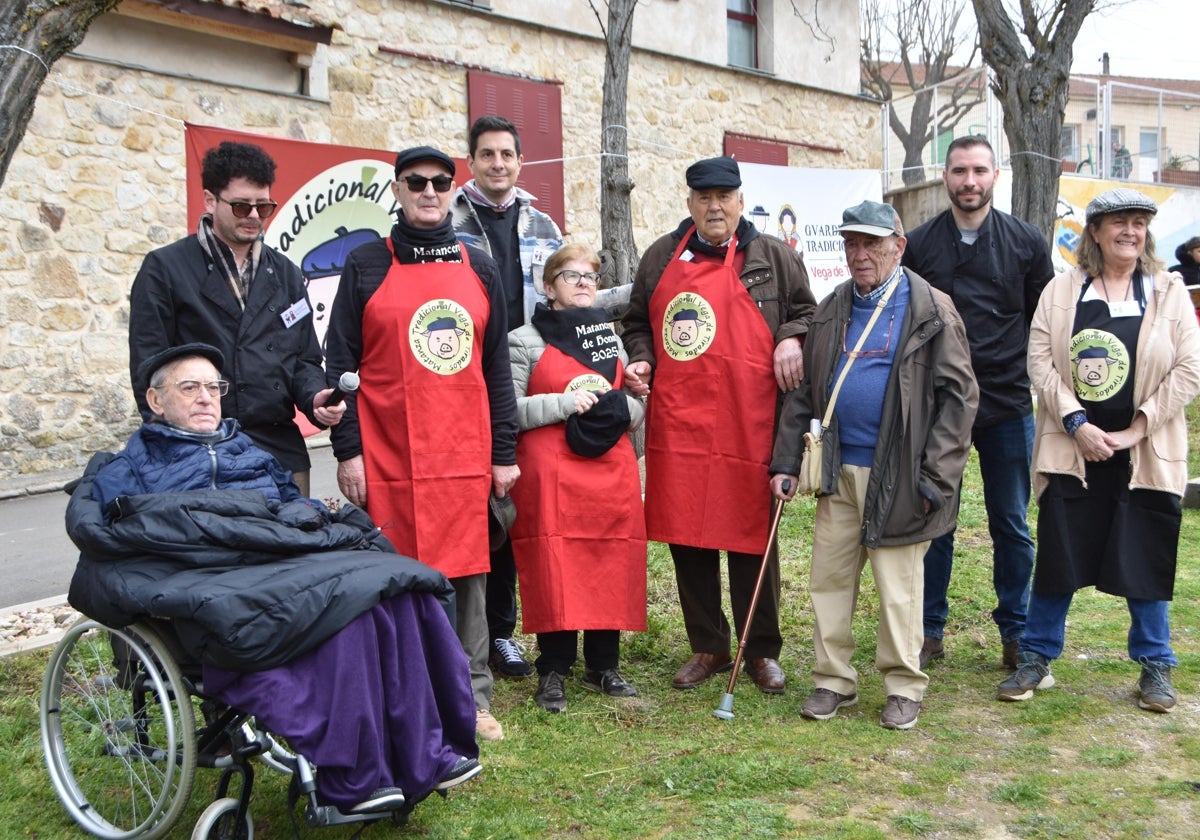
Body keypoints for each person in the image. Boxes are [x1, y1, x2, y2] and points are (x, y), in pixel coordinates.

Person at [78, 343, 481, 815]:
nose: (206, 398)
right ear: (155, 400)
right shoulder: (126, 468)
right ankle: (354, 778)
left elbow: (291, 510)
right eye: (190, 388)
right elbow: (110, 540)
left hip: (279, 564)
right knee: (345, 608)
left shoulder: (248, 451)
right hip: (214, 580)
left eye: (214, 387)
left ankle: (426, 755)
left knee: (404, 590)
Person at [324, 145, 519, 743]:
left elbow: (496, 369)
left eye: (440, 182)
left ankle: (472, 696)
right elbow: (340, 365)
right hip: (390, 454)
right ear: (399, 190)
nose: (429, 192)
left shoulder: (480, 265)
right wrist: (348, 450)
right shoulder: (363, 264)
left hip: (463, 452)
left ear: (451, 189)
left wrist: (504, 453)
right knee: (392, 575)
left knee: (468, 578)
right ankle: (399, 695)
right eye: (417, 183)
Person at [770, 200, 978, 730]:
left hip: (902, 473)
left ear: (898, 246)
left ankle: (904, 686)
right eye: (852, 244)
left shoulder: (931, 308)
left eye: (872, 244)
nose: (860, 255)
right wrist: (786, 460)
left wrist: (937, 476)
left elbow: (959, 400)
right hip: (837, 469)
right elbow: (806, 393)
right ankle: (832, 680)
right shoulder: (833, 306)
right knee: (829, 580)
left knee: (898, 588)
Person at [997, 188, 1200, 712]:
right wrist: (1076, 422)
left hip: (1143, 449)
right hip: (1074, 446)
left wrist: (1137, 429)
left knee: (1146, 549)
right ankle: (1037, 656)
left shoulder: (1168, 290)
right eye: (1118, 223)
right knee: (1060, 550)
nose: (1129, 231)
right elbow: (1039, 361)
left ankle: (1156, 663)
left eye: (1138, 222)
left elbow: (1188, 371)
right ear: (1094, 231)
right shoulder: (1062, 292)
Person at [621, 156, 816, 694]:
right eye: (703, 197)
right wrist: (641, 357)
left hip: (750, 420)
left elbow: (807, 313)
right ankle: (707, 644)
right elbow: (638, 320)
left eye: (723, 197)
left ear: (738, 200)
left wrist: (790, 336)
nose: (713, 206)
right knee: (689, 535)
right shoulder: (662, 256)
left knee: (754, 536)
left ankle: (761, 649)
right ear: (689, 203)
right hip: (682, 422)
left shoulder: (773, 256)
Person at [902, 135, 1055, 670]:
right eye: (960, 170)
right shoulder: (919, 245)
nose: (970, 181)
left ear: (996, 175)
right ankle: (928, 629)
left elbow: (1045, 322)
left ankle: (1017, 631)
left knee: (1011, 522)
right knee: (935, 516)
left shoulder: (1026, 242)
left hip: (1008, 402)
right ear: (945, 176)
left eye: (980, 171)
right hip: (940, 405)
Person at [128, 141, 344, 497]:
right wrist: (167, 442)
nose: (255, 216)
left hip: (278, 446)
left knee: (295, 545)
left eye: (265, 206)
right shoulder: (165, 269)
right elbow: (148, 365)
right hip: (196, 449)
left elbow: (304, 359)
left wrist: (315, 397)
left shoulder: (287, 274)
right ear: (211, 201)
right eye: (242, 206)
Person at [506, 243, 647, 713]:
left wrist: (625, 406)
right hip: (552, 473)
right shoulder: (523, 340)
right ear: (549, 288)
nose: (584, 282)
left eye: (590, 276)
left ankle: (603, 664)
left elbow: (637, 404)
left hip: (610, 471)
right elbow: (507, 410)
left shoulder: (612, 339)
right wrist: (564, 405)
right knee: (555, 561)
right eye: (571, 276)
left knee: (609, 560)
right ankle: (553, 668)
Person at [450, 115, 562, 680]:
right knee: (480, 518)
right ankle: (473, 636)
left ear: (520, 162)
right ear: (472, 162)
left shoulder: (543, 224)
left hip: (528, 382)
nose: (498, 164)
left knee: (518, 515)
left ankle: (505, 632)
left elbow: (563, 303)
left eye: (507, 155)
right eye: (487, 154)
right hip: (467, 385)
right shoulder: (446, 220)